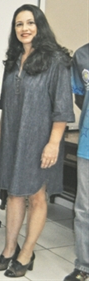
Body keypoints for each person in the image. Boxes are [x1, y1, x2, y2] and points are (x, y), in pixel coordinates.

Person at [0, 4, 74, 278]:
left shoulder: (56, 60)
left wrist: (53, 143)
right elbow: (6, 103)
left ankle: (27, 253)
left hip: (41, 138)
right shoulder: (13, 60)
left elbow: (62, 107)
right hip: (14, 135)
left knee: (37, 195)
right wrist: (1, 133)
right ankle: (8, 249)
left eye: (29, 23)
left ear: (39, 25)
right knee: (14, 193)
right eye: (18, 24)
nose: (24, 28)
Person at [65, 43, 89, 281]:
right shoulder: (82, 55)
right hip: (87, 143)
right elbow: (81, 99)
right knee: (84, 209)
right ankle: (84, 266)